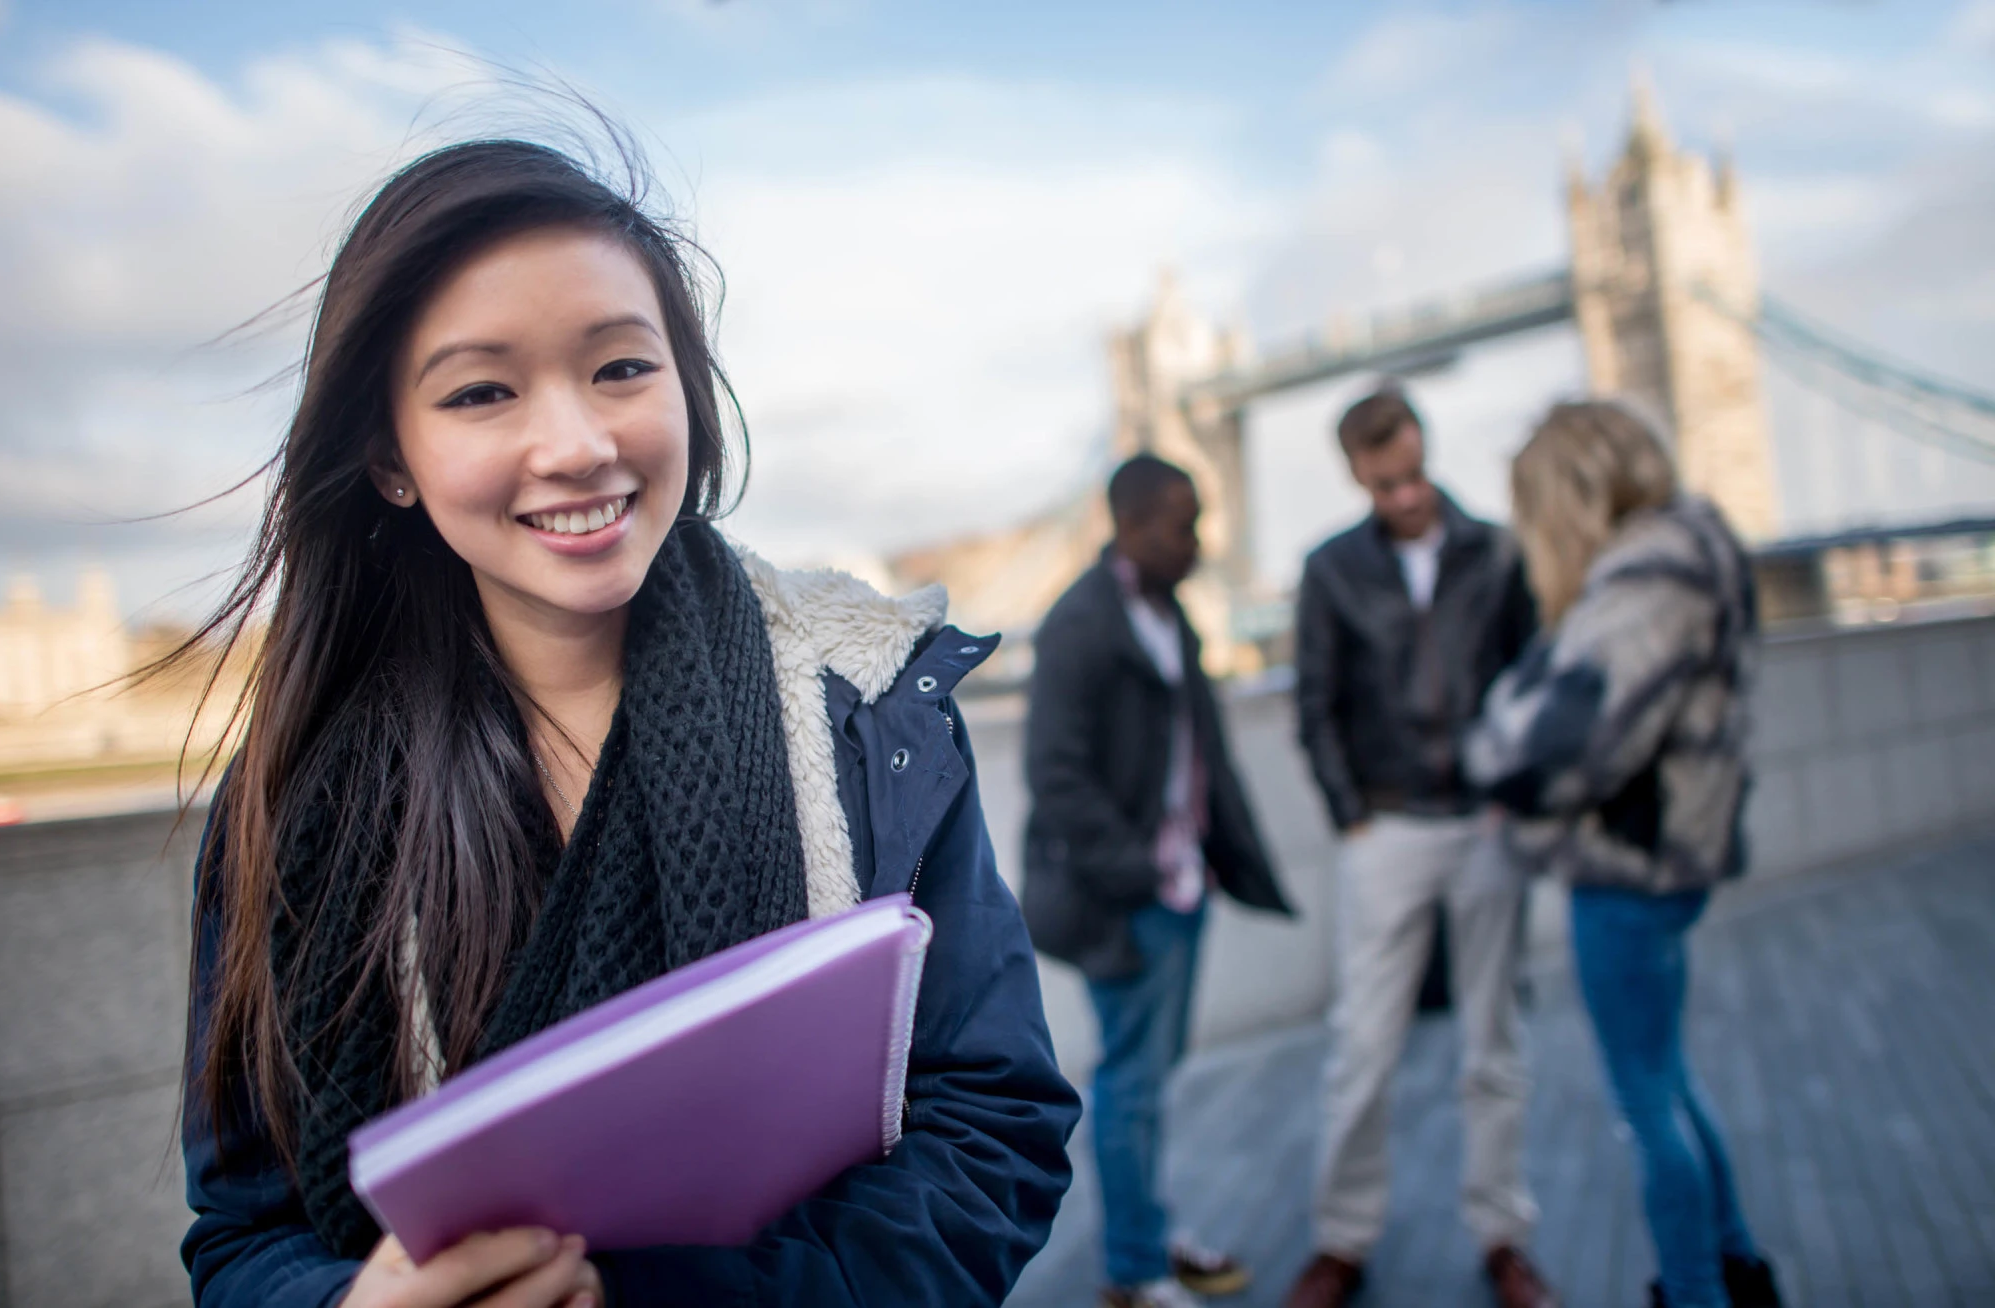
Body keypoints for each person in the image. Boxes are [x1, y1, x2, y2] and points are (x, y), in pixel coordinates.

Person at [174, 135, 1081, 1308]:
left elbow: (992, 1125)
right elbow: (247, 1237)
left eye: (619, 369)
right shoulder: (292, 805)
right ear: (388, 458)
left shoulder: (866, 707)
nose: (579, 446)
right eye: (481, 392)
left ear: (687, 388)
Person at [1464, 401, 1784, 1308]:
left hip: (1628, 874)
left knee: (1647, 1104)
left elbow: (1554, 745)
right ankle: (1738, 1265)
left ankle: (1694, 1290)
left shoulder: (1643, 581)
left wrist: (1495, 747)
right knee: (1672, 1081)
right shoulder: (1694, 545)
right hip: (1673, 864)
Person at [1286, 386, 1555, 1308]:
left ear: (1424, 448)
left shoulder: (1496, 550)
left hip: (1484, 826)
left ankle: (1503, 1237)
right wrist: (1351, 814)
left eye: (1411, 474)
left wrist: (1513, 795)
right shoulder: (1330, 571)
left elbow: (1532, 678)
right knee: (1362, 1046)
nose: (1404, 495)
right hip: (1387, 829)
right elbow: (1312, 703)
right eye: (1383, 482)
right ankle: (1342, 1242)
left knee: (1495, 1043)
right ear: (1357, 475)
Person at [1021, 454, 1293, 1308]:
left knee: (1150, 1077)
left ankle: (1147, 1234)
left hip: (1184, 889)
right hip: (1130, 901)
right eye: (1184, 524)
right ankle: (1133, 1274)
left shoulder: (1171, 615)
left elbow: (1201, 751)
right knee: (1131, 1085)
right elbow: (1054, 775)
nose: (1199, 542)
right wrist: (1139, 875)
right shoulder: (1079, 625)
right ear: (1130, 526)